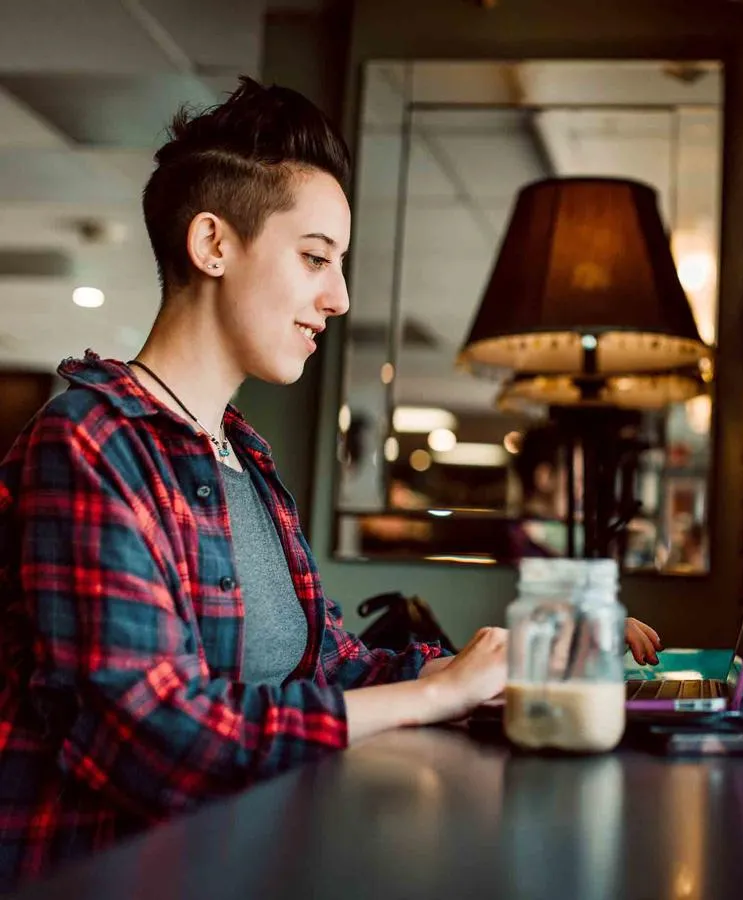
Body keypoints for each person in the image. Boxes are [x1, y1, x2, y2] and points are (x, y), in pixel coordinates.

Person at [0, 77, 506, 889]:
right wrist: (426, 701)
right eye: (314, 258)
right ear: (213, 244)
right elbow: (150, 735)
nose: (337, 297)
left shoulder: (244, 457)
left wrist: (525, 657)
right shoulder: (87, 445)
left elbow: (330, 672)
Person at [508, 425, 663, 666]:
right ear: (545, 478)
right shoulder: (519, 544)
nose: (582, 492)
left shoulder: (550, 540)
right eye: (577, 480)